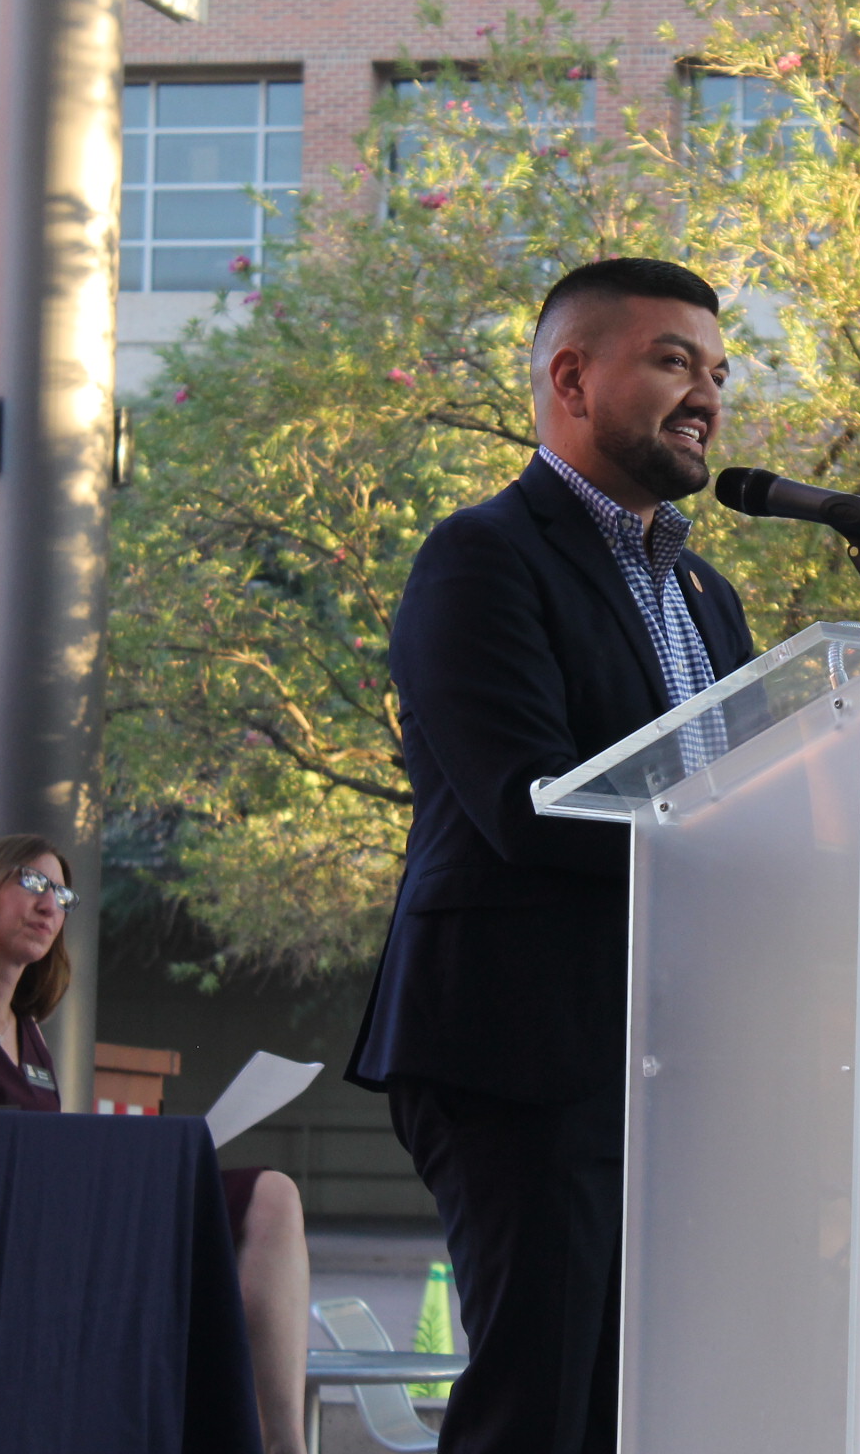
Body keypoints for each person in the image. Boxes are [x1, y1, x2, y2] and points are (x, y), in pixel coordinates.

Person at [345, 257, 755, 1453]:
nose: (707, 398)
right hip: (525, 1046)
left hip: (677, 1056)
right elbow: (527, 805)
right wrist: (727, 841)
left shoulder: (707, 596)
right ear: (571, 377)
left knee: (645, 1407)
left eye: (719, 372)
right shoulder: (484, 558)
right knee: (544, 1404)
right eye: (674, 362)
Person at [0, 833, 311, 1454]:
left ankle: (282, 1445)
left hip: (57, 1224)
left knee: (272, 1195)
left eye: (62, 894)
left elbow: (56, 1154)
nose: (51, 906)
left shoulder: (30, 1033)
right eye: (32, 884)